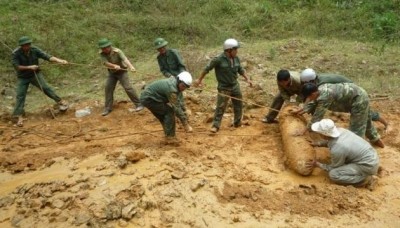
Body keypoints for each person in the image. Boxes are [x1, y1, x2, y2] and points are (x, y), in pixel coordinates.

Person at [298, 82, 385, 148]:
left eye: (309, 97)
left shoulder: (325, 97)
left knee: (356, 130)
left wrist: (305, 129)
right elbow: (314, 102)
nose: (309, 99)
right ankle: (376, 140)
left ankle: (357, 151)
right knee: (366, 120)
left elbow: (317, 117)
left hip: (358, 100)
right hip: (358, 94)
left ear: (313, 94)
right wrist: (304, 110)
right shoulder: (320, 89)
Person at [300, 68, 389, 130]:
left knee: (363, 111)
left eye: (305, 83)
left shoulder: (322, 85)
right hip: (345, 92)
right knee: (362, 111)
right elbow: (315, 100)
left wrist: (306, 111)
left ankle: (385, 123)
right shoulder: (317, 82)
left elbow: (319, 104)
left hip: (352, 92)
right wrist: (305, 109)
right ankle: (379, 126)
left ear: (310, 81)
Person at [195, 38, 253, 133]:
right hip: (224, 87)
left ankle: (237, 122)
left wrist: (247, 79)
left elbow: (240, 70)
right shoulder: (218, 60)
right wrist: (199, 80)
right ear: (229, 50)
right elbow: (207, 69)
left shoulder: (236, 59)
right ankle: (216, 126)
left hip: (235, 85)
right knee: (221, 107)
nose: (237, 51)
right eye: (235, 49)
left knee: (238, 104)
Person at [306, 119, 379, 190]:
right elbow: (331, 140)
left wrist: (318, 164)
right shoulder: (341, 130)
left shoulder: (337, 148)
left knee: (334, 174)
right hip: (372, 156)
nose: (318, 133)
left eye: (319, 132)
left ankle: (366, 180)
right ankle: (366, 171)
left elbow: (333, 168)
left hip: (367, 165)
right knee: (341, 158)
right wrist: (318, 143)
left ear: (324, 135)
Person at [11, 36, 69, 127]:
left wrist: (60, 61)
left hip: (35, 75)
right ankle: (18, 116)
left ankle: (60, 101)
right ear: (21, 46)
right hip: (23, 77)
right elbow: (17, 67)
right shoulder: (16, 53)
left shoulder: (34, 50)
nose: (27, 46)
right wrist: (29, 67)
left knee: (45, 87)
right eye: (25, 45)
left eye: (28, 44)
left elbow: (47, 56)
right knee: (20, 95)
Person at [140, 71, 193, 143]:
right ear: (179, 81)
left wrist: (185, 112)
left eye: (186, 87)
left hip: (153, 98)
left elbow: (180, 101)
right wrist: (185, 124)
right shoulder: (172, 89)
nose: (183, 88)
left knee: (164, 116)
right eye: (183, 86)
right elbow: (176, 107)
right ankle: (170, 138)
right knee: (169, 112)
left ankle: (168, 136)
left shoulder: (176, 85)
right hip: (149, 99)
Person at [154, 37, 192, 132]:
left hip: (180, 79)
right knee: (175, 99)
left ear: (165, 46)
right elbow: (163, 70)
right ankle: (182, 118)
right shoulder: (159, 58)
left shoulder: (173, 53)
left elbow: (181, 66)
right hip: (170, 81)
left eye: (162, 47)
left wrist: (180, 78)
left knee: (180, 99)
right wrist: (169, 75)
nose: (161, 49)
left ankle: (185, 118)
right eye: (159, 48)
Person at [98, 38, 143, 116]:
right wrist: (114, 66)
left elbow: (125, 59)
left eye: (106, 47)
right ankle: (107, 108)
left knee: (128, 87)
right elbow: (105, 63)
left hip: (122, 72)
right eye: (103, 48)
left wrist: (131, 66)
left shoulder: (117, 51)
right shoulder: (102, 53)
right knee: (108, 88)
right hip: (112, 73)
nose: (104, 49)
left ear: (109, 46)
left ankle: (139, 104)